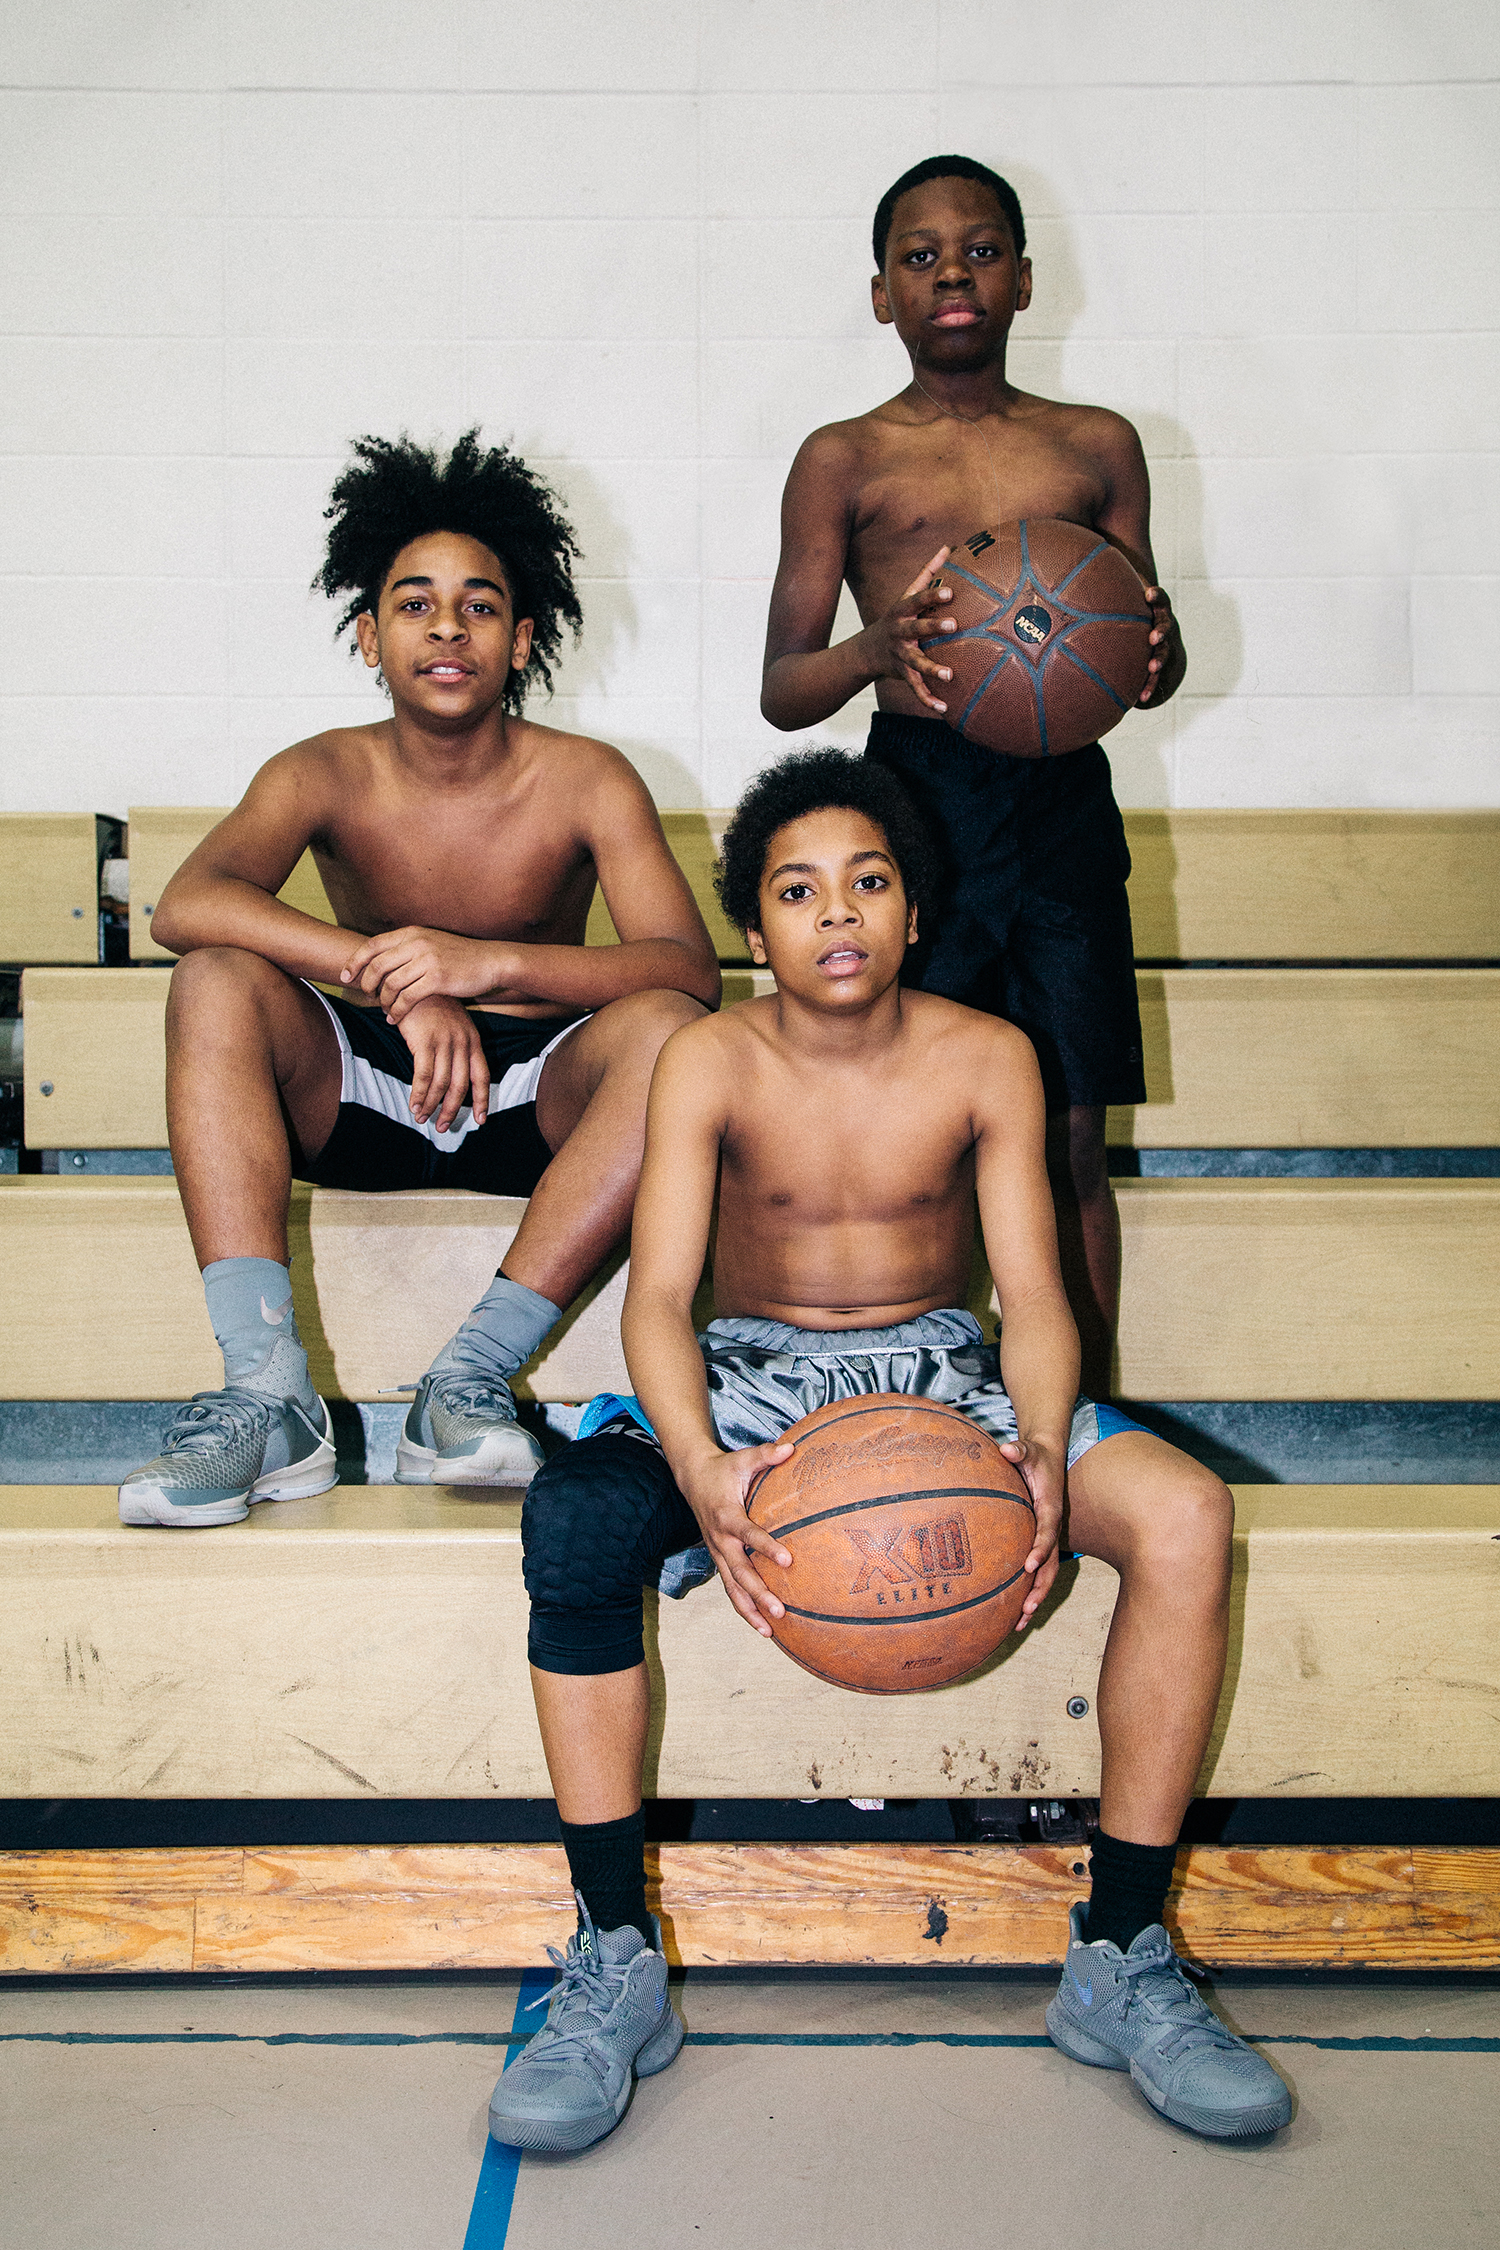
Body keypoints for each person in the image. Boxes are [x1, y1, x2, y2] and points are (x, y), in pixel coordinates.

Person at [493, 750, 1289, 2155]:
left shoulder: (989, 1054)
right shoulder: (708, 1059)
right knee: (574, 1526)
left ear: (914, 913)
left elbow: (1034, 1294)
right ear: (758, 932)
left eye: (867, 882)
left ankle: (1119, 1958)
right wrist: (699, 1463)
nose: (837, 912)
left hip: (945, 1380)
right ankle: (614, 1959)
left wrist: (1038, 1443)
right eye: (798, 891)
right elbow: (659, 1300)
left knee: (1185, 1515)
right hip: (752, 1376)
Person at [119, 431, 719, 1528]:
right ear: (369, 635)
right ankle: (269, 1396)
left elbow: (688, 969)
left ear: (523, 639)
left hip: (538, 1101)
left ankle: (465, 1382)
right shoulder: (322, 767)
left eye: (480, 606)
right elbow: (185, 903)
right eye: (415, 603)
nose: (448, 627)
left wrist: (485, 963)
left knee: (673, 1032)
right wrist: (394, 976)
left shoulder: (588, 779)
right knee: (212, 979)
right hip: (360, 1085)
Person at [761, 154, 1186, 1393]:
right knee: (920, 1124)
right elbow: (783, 686)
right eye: (921, 255)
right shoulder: (844, 457)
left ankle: (1081, 1413)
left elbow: (1148, 663)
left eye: (982, 249)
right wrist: (872, 649)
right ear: (882, 295)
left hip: (1062, 801)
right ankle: (923, 1400)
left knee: (1068, 1129)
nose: (954, 272)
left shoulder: (1094, 445)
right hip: (916, 799)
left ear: (1025, 280)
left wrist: (1153, 655)